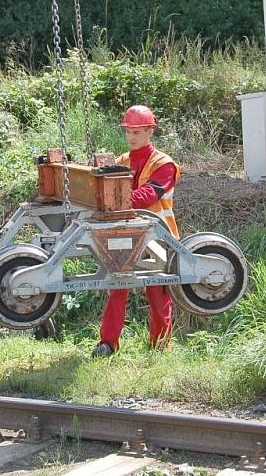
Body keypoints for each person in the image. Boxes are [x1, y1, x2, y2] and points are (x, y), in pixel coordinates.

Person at [92, 105, 181, 358]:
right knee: (117, 286)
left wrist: (115, 197)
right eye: (128, 132)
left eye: (137, 132)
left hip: (158, 236)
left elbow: (149, 195)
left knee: (157, 290)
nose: (131, 137)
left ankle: (160, 346)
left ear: (150, 131)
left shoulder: (164, 164)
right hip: (126, 234)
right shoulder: (121, 161)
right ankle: (107, 344)